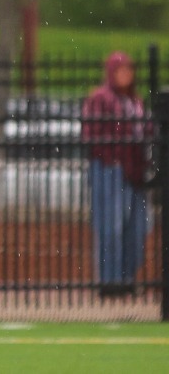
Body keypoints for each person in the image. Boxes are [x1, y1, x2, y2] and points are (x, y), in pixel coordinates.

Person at [83, 51, 152, 298]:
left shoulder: (135, 100)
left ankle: (126, 280)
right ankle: (109, 283)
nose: (126, 75)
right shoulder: (101, 98)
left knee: (137, 228)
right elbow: (92, 133)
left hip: (135, 170)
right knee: (110, 227)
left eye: (129, 70)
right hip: (111, 168)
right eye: (121, 70)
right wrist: (111, 156)